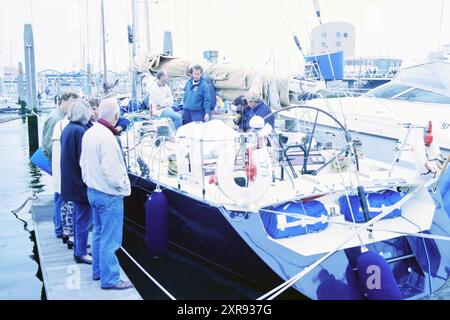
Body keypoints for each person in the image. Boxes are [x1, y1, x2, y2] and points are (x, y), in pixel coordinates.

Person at [80, 98, 133, 290]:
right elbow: (112, 172)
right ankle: (110, 279)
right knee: (111, 240)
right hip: (109, 194)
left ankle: (98, 271)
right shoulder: (108, 138)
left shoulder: (90, 133)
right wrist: (124, 186)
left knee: (99, 235)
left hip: (93, 190)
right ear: (116, 116)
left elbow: (83, 163)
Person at [42, 91, 79, 239]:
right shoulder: (56, 119)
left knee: (60, 194)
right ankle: (59, 228)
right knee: (60, 195)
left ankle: (60, 226)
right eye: (71, 103)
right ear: (63, 101)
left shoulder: (59, 118)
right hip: (57, 162)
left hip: (58, 162)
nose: (72, 107)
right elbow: (49, 145)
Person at [60, 99, 93, 264]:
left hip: (70, 181)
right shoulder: (80, 132)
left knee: (78, 217)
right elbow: (84, 160)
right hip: (79, 183)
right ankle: (81, 252)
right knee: (83, 219)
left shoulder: (68, 129)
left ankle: (79, 247)